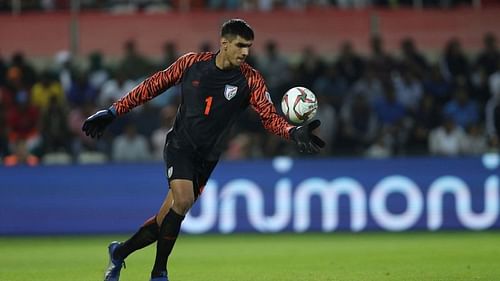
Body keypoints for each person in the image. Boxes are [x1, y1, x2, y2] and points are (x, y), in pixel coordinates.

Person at [82, 19, 324, 281]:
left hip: (207, 158)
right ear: (224, 43)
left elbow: (269, 117)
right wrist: (114, 111)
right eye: (240, 46)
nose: (245, 52)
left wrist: (291, 131)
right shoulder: (191, 64)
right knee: (183, 201)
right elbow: (152, 86)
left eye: (249, 47)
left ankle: (119, 253)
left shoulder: (251, 80)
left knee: (164, 221)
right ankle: (159, 272)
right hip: (180, 146)